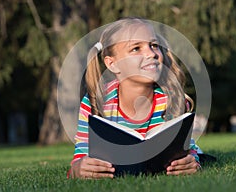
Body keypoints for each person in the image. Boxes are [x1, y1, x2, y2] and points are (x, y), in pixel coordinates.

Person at [68, 17, 201, 179]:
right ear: (112, 64)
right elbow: (80, 156)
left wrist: (192, 161)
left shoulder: (173, 98)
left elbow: (188, 149)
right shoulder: (95, 102)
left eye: (153, 45)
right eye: (136, 49)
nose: (151, 53)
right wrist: (79, 168)